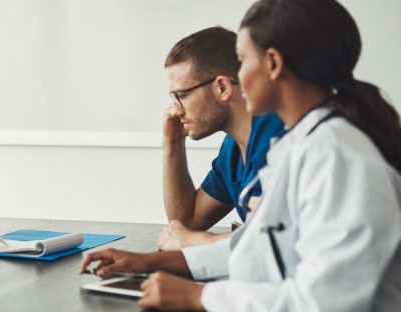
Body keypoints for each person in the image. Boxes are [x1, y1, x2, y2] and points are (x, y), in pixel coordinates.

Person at [81, 0, 401, 310]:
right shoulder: (300, 147)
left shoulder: (338, 157)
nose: (237, 76)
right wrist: (148, 261)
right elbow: (261, 251)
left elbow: (324, 303)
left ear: (273, 64)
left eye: (243, 60)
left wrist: (198, 297)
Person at [158, 26, 285, 251]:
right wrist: (172, 142)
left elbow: (275, 240)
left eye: (183, 95)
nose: (175, 110)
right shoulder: (233, 149)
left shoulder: (280, 137)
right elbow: (185, 222)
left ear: (223, 87)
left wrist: (194, 241)